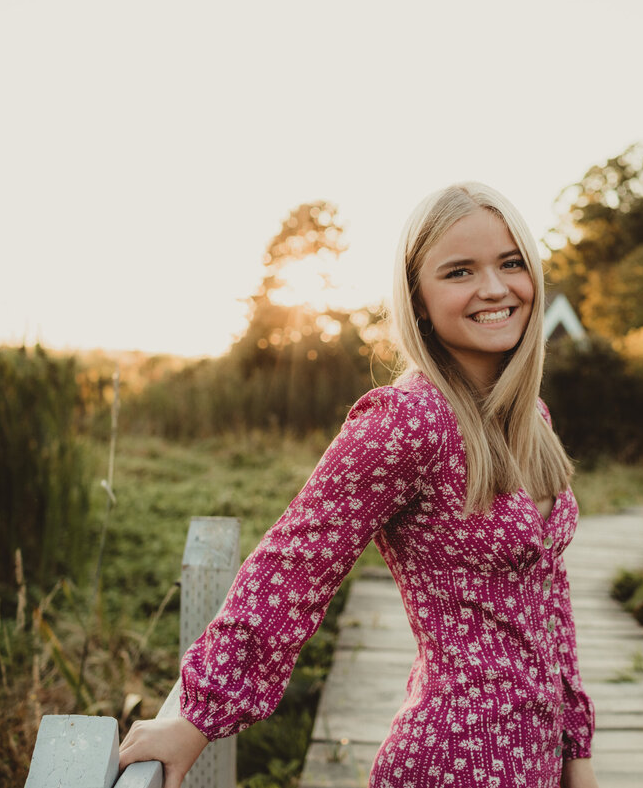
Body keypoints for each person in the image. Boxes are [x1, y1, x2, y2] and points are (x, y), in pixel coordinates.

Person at [119, 182, 599, 788]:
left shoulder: (530, 419)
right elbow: (295, 565)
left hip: (536, 761)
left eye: (510, 263)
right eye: (459, 271)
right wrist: (196, 715)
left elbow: (548, 597)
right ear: (418, 299)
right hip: (453, 761)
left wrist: (575, 751)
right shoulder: (409, 421)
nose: (496, 288)